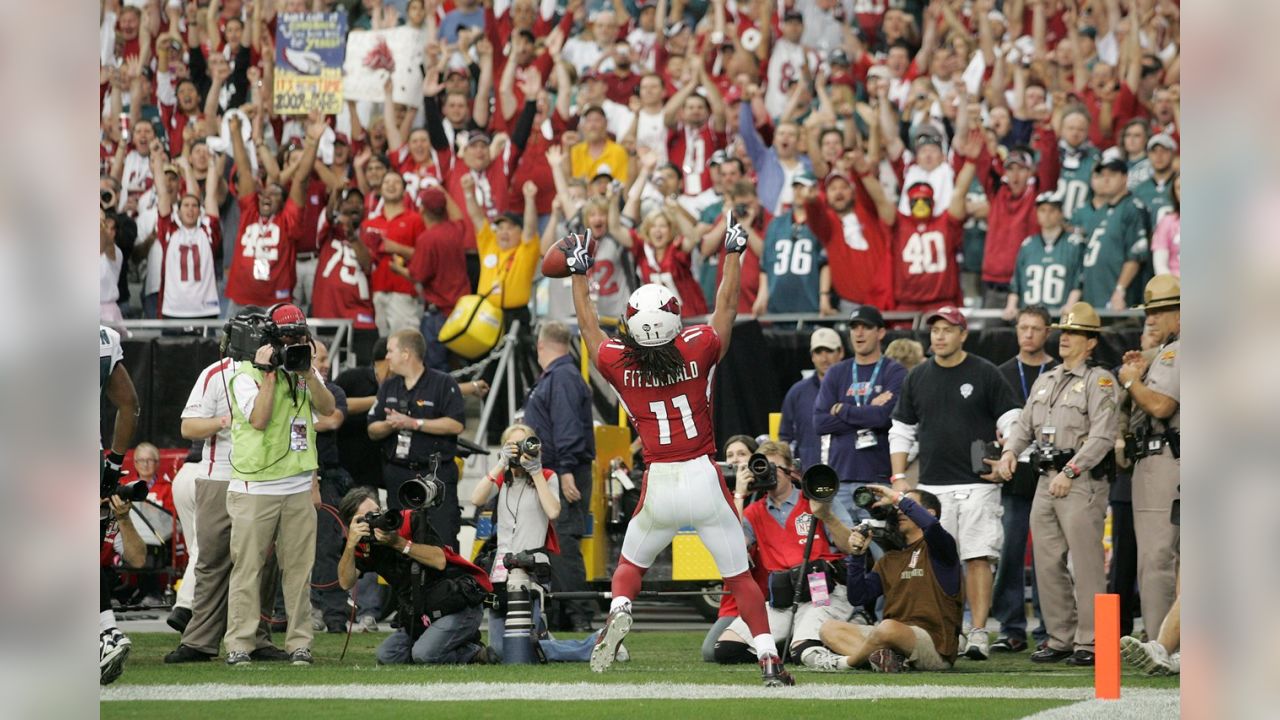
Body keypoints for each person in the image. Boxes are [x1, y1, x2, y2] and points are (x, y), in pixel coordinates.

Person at [568, 215, 797, 685]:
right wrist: (732, 251)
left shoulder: (618, 362)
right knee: (739, 579)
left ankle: (619, 612)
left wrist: (578, 271)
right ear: (674, 317)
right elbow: (727, 306)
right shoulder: (696, 347)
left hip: (659, 480)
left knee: (629, 566)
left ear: (630, 324)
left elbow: (589, 329)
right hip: (702, 475)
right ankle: (769, 658)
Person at [889, 306, 1021, 661]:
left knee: (978, 557)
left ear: (963, 334)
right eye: (935, 330)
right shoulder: (917, 377)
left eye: (948, 330)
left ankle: (977, 631)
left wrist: (1008, 455)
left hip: (978, 483)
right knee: (937, 563)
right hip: (932, 485)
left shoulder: (986, 372)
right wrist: (900, 477)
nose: (940, 336)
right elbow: (901, 429)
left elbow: (1013, 420)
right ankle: (947, 629)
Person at [997, 302, 1120, 666]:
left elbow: (1103, 436)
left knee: (1085, 563)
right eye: (1063, 332)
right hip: (1044, 478)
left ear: (1090, 342)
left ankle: (1094, 640)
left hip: (1080, 480)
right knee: (1047, 563)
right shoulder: (1047, 377)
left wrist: (1072, 471)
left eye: (1074, 333)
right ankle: (1060, 637)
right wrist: (1010, 452)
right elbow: (1025, 425)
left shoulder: (1100, 380)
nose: (1065, 338)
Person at [165, 309, 286, 664]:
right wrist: (224, 420)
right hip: (220, 476)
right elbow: (188, 427)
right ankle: (200, 640)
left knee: (264, 563)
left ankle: (257, 639)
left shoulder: (277, 374)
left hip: (263, 479)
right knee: (212, 560)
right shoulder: (215, 374)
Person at [222, 303, 336, 666]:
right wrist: (268, 373)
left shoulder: (304, 368)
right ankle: (240, 642)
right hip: (255, 486)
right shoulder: (243, 374)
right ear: (270, 338)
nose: (293, 342)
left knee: (299, 572)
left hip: (298, 484)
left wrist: (307, 371)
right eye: (287, 337)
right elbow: (258, 419)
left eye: (299, 335)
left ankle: (299, 642)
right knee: (248, 569)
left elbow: (329, 408)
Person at [715, 442, 857, 671]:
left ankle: (821, 645)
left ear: (791, 470)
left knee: (802, 649)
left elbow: (850, 547)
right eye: (762, 467)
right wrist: (739, 495)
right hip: (782, 597)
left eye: (775, 467)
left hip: (822, 590)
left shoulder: (816, 499)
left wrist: (826, 516)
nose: (768, 473)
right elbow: (733, 552)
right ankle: (790, 644)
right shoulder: (754, 511)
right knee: (726, 650)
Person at [470, 424, 607, 662]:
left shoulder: (546, 476)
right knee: (501, 652)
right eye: (513, 446)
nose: (519, 452)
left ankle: (594, 644)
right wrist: (501, 463)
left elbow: (553, 511)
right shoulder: (502, 480)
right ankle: (582, 642)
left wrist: (535, 471)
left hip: (529, 570)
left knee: (521, 650)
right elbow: (476, 498)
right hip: (500, 573)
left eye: (524, 444)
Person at [337, 488, 496, 665]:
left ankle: (474, 653)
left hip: (458, 604)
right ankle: (452, 645)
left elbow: (439, 560)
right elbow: (345, 582)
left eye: (378, 512)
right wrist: (350, 544)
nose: (378, 519)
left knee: (424, 655)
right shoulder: (363, 544)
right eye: (368, 517)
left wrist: (399, 543)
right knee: (388, 656)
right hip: (422, 614)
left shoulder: (408, 521)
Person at [818, 486, 963, 672]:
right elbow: (858, 597)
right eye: (898, 507)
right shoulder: (890, 558)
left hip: (933, 643)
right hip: (890, 637)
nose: (899, 511)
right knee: (829, 628)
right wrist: (857, 556)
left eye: (907, 506)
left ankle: (848, 662)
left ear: (929, 513)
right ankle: (887, 660)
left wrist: (896, 497)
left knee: (888, 629)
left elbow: (931, 526)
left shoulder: (941, 549)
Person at [520, 321, 597, 633]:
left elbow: (566, 427)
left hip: (564, 471)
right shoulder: (560, 376)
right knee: (557, 543)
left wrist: (565, 471)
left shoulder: (561, 377)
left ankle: (580, 615)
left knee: (564, 543)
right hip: (556, 470)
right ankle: (566, 613)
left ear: (541, 346)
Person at [1117, 275, 1181, 638]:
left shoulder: (1177, 351)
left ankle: (1160, 641)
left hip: (1165, 459)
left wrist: (1130, 380)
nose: (1152, 319)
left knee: (1157, 558)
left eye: (1160, 312)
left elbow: (1160, 405)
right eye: (1149, 313)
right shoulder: (1167, 353)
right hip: (1169, 457)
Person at [991, 305, 1056, 653]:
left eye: (1035, 328)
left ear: (1048, 332)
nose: (1028, 334)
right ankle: (1010, 626)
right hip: (1013, 471)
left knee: (1051, 553)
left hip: (1051, 470)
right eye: (1023, 327)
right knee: (1010, 550)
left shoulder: (1059, 372)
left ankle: (1051, 628)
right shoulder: (1000, 373)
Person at [368, 330, 466, 548]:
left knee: (442, 540)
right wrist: (391, 424)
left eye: (391, 351)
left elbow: (456, 424)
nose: (387, 357)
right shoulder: (389, 386)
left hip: (435, 475)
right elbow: (372, 429)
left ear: (406, 354)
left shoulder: (443, 383)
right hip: (398, 475)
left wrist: (415, 423)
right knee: (399, 538)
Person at [813, 306, 907, 522]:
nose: (859, 333)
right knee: (845, 548)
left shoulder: (894, 371)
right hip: (841, 478)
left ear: (881, 332)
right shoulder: (837, 371)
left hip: (878, 479)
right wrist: (868, 413)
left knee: (880, 549)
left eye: (866, 327)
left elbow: (886, 418)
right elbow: (820, 422)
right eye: (854, 327)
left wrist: (843, 410)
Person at [99, 324, 139, 685]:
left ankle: (103, 635)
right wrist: (112, 463)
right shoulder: (102, 338)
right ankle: (105, 632)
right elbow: (129, 404)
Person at [1071, 148, 1150, 310]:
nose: (1105, 180)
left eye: (1111, 175)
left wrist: (1120, 290)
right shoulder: (1100, 212)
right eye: (1102, 175)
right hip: (1094, 293)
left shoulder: (1133, 207)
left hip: (1119, 297)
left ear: (1124, 177)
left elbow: (1135, 255)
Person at [309, 340, 351, 633]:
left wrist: (294, 422)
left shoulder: (334, 391)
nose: (326, 364)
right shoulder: (289, 388)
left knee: (329, 547)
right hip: (292, 479)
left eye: (327, 358)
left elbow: (333, 419)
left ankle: (335, 613)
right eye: (320, 358)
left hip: (326, 479)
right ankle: (284, 612)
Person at [754, 172, 831, 316]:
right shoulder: (776, 224)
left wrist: (824, 297)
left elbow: (825, 263)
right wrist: (762, 296)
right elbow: (766, 264)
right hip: (777, 305)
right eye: (796, 187)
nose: (799, 192)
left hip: (810, 304)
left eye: (804, 187)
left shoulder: (822, 223)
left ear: (814, 190)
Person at [1002, 194, 1086, 319]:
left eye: (1052, 210)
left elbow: (1078, 280)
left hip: (1060, 316)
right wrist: (1011, 306)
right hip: (1030, 317)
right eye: (1042, 210)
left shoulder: (1074, 244)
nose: (1047, 215)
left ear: (1061, 213)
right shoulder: (1028, 244)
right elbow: (1016, 283)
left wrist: (1071, 305)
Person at [779, 327, 845, 472]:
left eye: (829, 351)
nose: (824, 358)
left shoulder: (853, 389)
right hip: (808, 476)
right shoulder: (797, 392)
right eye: (818, 352)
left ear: (841, 352)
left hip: (847, 474)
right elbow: (785, 437)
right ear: (812, 356)